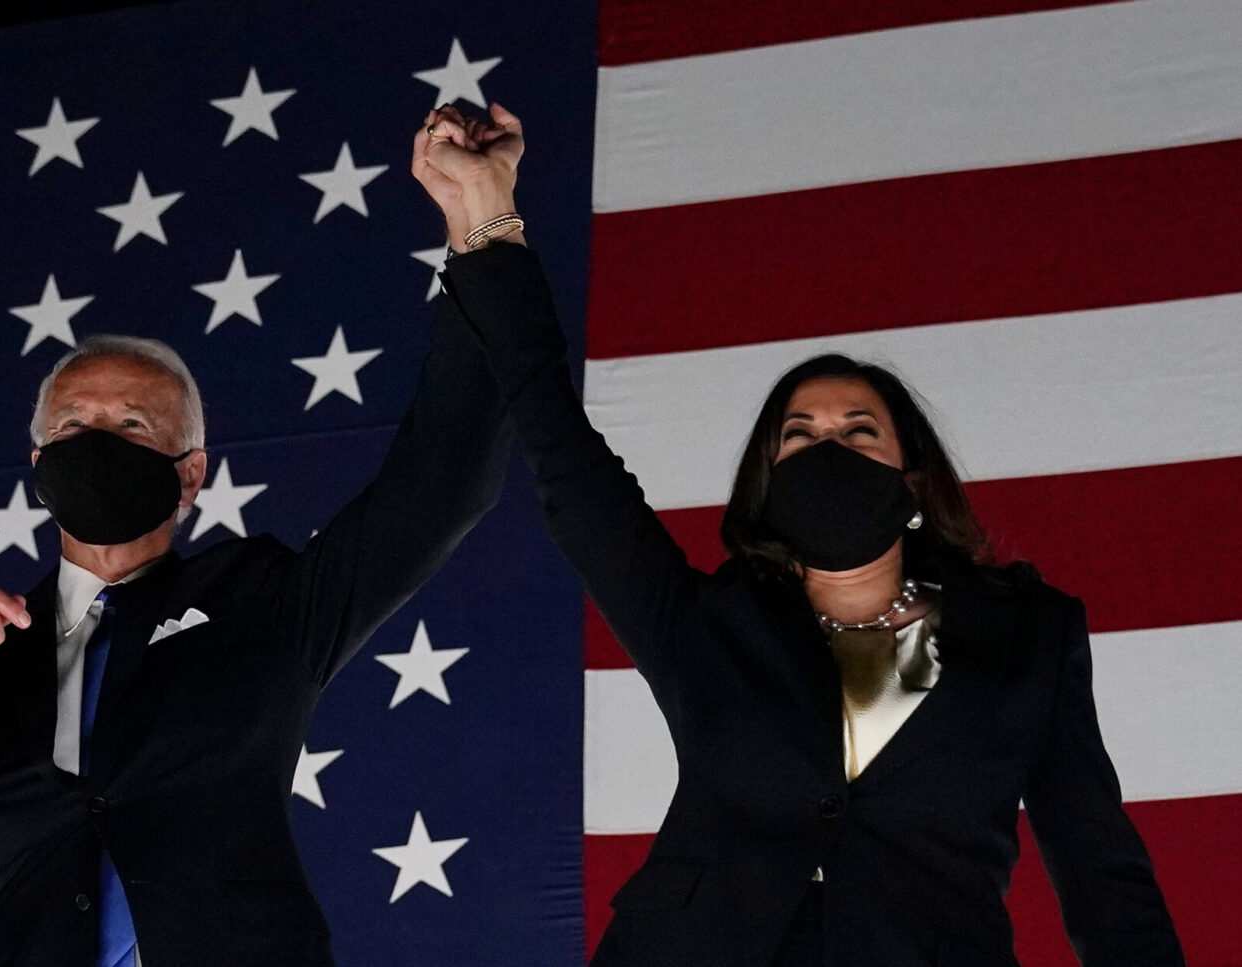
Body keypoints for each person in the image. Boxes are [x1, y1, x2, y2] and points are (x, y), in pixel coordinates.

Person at [415, 104, 1185, 965]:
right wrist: (489, 222)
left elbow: (1101, 871)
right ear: (768, 483)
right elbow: (565, 457)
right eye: (801, 435)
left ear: (914, 479)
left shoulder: (1029, 638)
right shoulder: (707, 627)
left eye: (860, 432)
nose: (830, 447)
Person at [0, 110, 512, 967]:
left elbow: (445, 480)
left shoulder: (260, 603)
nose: (98, 441)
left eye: (132, 424)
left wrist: (484, 233)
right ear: (37, 460)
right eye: (74, 425)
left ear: (192, 471)